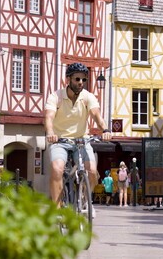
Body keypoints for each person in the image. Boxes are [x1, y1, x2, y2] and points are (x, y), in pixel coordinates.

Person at [44, 62, 112, 206]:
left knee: (92, 171)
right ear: (68, 79)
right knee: (57, 169)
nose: (81, 82)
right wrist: (50, 132)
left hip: (82, 141)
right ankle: (56, 209)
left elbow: (97, 116)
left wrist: (105, 130)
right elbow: (49, 117)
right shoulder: (56, 96)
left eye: (84, 79)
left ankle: (85, 199)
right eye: (77, 79)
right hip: (60, 141)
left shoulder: (88, 97)